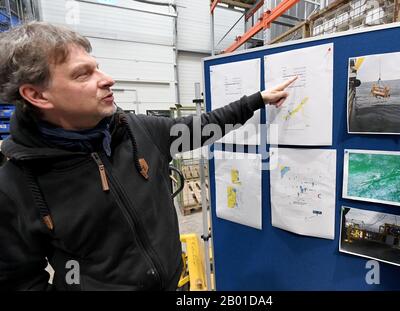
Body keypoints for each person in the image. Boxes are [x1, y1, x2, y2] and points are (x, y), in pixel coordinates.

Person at [0, 22, 296, 291]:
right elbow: (18, 280)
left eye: (97, 67)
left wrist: (256, 101)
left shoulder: (139, 132)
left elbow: (203, 127)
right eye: (83, 74)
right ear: (37, 96)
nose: (107, 79)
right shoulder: (14, 186)